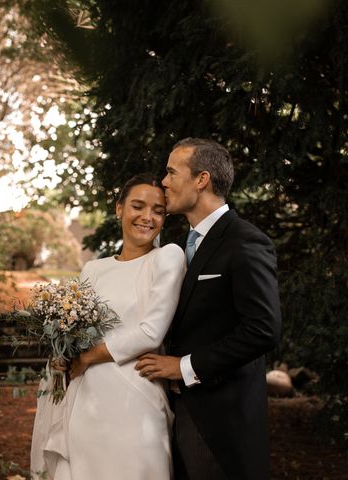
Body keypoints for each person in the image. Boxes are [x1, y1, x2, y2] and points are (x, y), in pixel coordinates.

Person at [135, 138, 281, 480]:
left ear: (202, 180)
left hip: (221, 424)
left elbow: (263, 328)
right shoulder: (177, 248)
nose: (164, 182)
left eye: (172, 172)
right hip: (174, 414)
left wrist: (183, 366)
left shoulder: (245, 242)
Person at [30, 173, 186, 480]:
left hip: (134, 397)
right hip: (85, 399)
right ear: (119, 209)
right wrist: (64, 352)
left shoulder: (167, 257)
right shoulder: (94, 268)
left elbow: (150, 331)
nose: (147, 217)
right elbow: (75, 328)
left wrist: (88, 357)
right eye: (138, 206)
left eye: (158, 211)